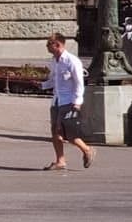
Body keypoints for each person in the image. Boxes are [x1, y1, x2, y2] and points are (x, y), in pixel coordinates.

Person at [38, 32, 95, 171]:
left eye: (49, 44)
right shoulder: (54, 61)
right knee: (55, 131)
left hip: (69, 101)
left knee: (68, 133)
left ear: (57, 45)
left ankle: (87, 150)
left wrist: (77, 102)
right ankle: (60, 161)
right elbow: (54, 80)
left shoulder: (72, 60)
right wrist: (42, 85)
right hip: (57, 100)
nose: (47, 47)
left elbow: (79, 83)